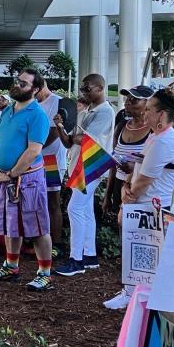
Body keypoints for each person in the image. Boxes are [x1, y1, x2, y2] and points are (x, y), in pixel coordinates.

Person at [105, 87, 174, 309]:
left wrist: (126, 201)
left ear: (161, 115)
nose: (145, 113)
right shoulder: (156, 136)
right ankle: (131, 293)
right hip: (142, 204)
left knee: (144, 254)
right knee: (135, 252)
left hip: (151, 207)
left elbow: (144, 181)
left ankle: (136, 296)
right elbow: (138, 167)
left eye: (149, 109)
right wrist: (126, 185)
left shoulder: (164, 141)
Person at [0, 68, 54, 291]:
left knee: (38, 226)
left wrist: (10, 174)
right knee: (10, 224)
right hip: (4, 178)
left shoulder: (38, 115)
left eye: (23, 84)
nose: (17, 85)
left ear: (35, 89)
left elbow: (33, 150)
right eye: (17, 81)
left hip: (28, 180)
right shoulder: (7, 111)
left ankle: (45, 273)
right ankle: (11, 266)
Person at [54, 74, 116, 276]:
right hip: (80, 165)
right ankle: (89, 256)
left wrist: (72, 135)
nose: (83, 93)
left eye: (87, 89)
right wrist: (61, 127)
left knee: (75, 208)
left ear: (100, 87)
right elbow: (68, 142)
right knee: (86, 210)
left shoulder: (105, 112)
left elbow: (84, 138)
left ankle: (76, 260)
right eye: (82, 89)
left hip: (91, 165)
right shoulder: (87, 111)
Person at [102, 85, 153, 217]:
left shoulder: (154, 130)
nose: (127, 102)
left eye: (134, 100)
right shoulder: (121, 126)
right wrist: (108, 195)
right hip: (119, 185)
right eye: (127, 98)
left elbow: (156, 163)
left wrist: (134, 167)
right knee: (120, 228)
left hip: (141, 189)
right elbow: (113, 162)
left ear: (148, 103)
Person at [33, 79, 67, 256]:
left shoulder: (57, 101)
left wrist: (33, 147)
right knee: (36, 202)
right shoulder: (32, 103)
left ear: (40, 86)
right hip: (34, 160)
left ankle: (57, 243)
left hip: (51, 160)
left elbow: (55, 132)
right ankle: (40, 241)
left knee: (53, 201)